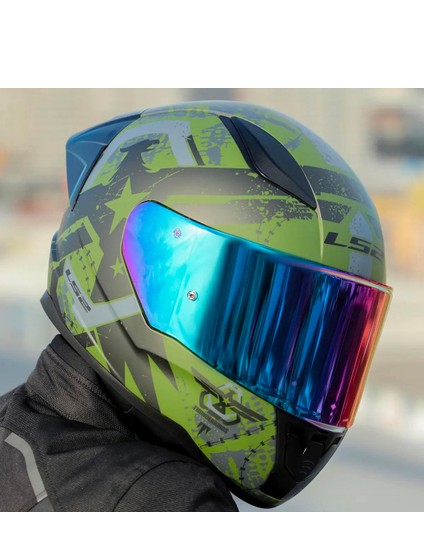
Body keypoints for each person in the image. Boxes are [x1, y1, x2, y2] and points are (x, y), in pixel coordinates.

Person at [0, 101, 392, 511]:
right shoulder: (163, 500)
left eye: (319, 349)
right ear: (145, 269)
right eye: (246, 323)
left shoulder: (16, 436)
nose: (292, 368)